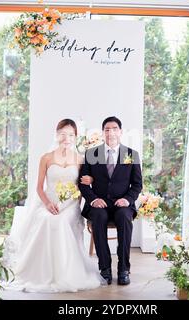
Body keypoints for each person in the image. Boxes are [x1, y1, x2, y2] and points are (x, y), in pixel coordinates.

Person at [7, 119, 104, 293]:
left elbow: (83, 185)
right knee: (45, 219)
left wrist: (91, 180)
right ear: (57, 134)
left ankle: (66, 273)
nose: (67, 138)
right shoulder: (46, 158)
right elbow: (39, 187)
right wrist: (48, 204)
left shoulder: (80, 159)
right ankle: (42, 272)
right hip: (49, 203)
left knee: (60, 222)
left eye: (71, 135)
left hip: (71, 205)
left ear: (76, 137)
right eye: (63, 134)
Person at [78, 116, 143, 285]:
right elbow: (83, 183)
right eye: (107, 129)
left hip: (122, 204)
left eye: (114, 129)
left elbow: (137, 184)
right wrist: (93, 200)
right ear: (102, 133)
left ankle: (124, 270)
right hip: (100, 203)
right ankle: (104, 268)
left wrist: (128, 200)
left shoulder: (131, 154)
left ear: (120, 132)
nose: (110, 132)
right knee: (98, 217)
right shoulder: (92, 154)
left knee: (123, 216)